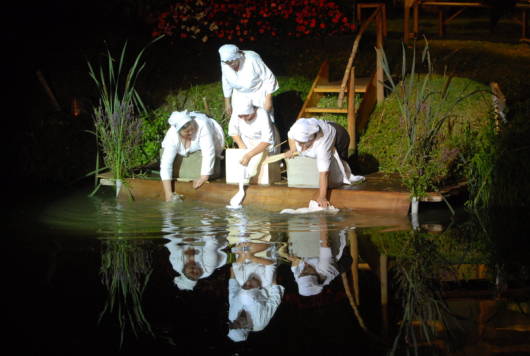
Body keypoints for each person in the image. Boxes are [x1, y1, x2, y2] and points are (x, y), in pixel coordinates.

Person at [285, 118, 364, 208]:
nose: (301, 148)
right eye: (299, 143)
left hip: (340, 136)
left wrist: (322, 197)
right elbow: (290, 135)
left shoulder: (323, 143)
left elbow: (324, 173)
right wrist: (292, 149)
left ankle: (355, 167)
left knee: (340, 164)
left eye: (304, 144)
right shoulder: (298, 127)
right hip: (327, 124)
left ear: (312, 140)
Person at [159, 110, 225, 201]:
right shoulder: (172, 136)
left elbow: (208, 151)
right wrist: (168, 194)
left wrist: (204, 177)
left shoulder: (202, 125)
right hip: (183, 148)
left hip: (213, 135)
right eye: (187, 131)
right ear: (178, 131)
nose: (191, 132)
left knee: (207, 162)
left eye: (192, 129)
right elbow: (166, 164)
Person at [218, 44, 278, 123]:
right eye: (227, 62)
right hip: (240, 94)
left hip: (258, 92)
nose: (230, 65)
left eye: (232, 62)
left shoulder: (252, 60)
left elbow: (269, 77)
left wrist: (268, 99)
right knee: (242, 121)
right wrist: (227, 102)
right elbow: (226, 80)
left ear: (238, 56)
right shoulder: (225, 63)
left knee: (264, 120)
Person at [228, 97, 280, 167]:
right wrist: (242, 146)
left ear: (253, 111)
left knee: (266, 169)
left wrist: (250, 154)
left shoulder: (262, 114)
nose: (243, 118)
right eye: (240, 116)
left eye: (246, 115)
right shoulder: (237, 113)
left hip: (265, 147)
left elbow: (267, 141)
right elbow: (233, 131)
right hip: (247, 143)